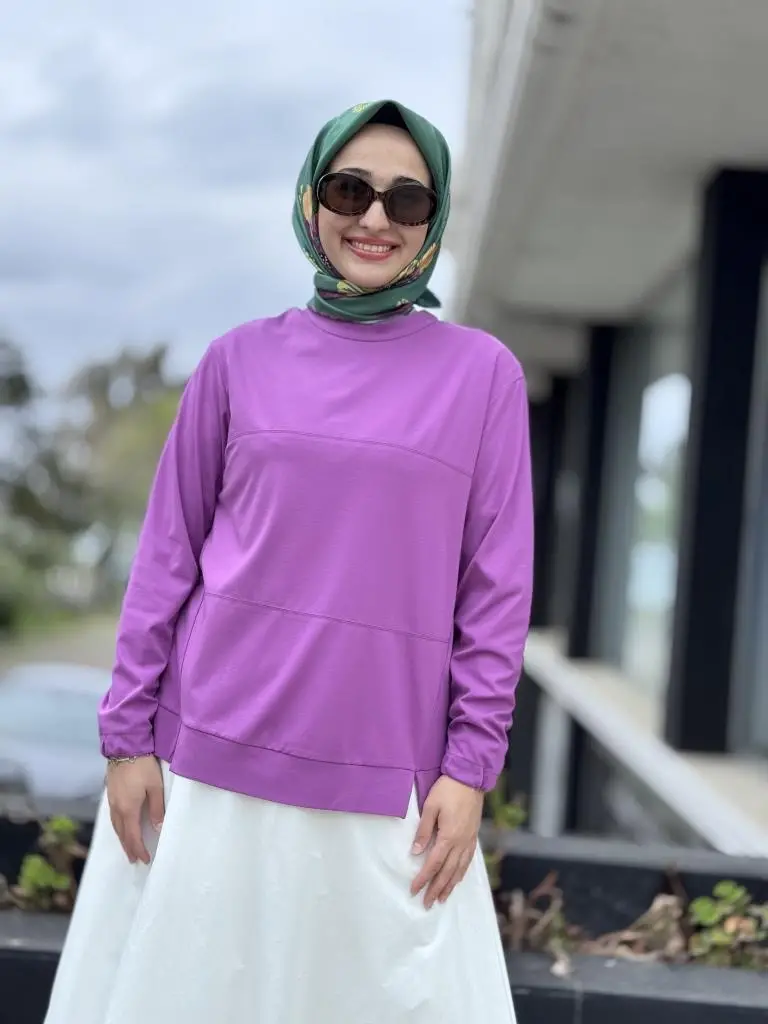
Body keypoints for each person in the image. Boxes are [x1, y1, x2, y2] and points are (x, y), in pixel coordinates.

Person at [44, 99, 533, 1024]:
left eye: (408, 199)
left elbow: (496, 596)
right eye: (350, 190)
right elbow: (167, 559)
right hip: (204, 768)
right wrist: (128, 738)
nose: (375, 218)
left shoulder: (484, 377)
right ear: (311, 201)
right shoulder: (236, 362)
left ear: (434, 221)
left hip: (387, 781)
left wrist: (471, 768)